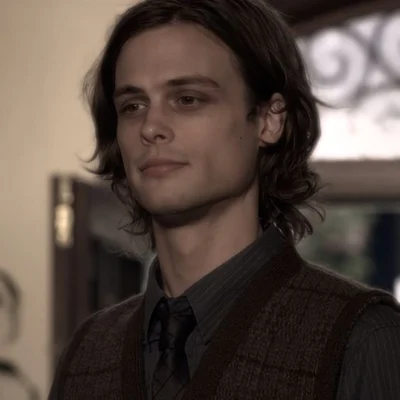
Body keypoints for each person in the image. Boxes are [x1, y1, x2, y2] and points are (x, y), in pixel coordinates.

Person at [49, 0, 400, 399]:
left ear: (269, 120)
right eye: (133, 105)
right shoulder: (88, 353)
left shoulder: (359, 339)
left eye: (187, 99)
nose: (150, 126)